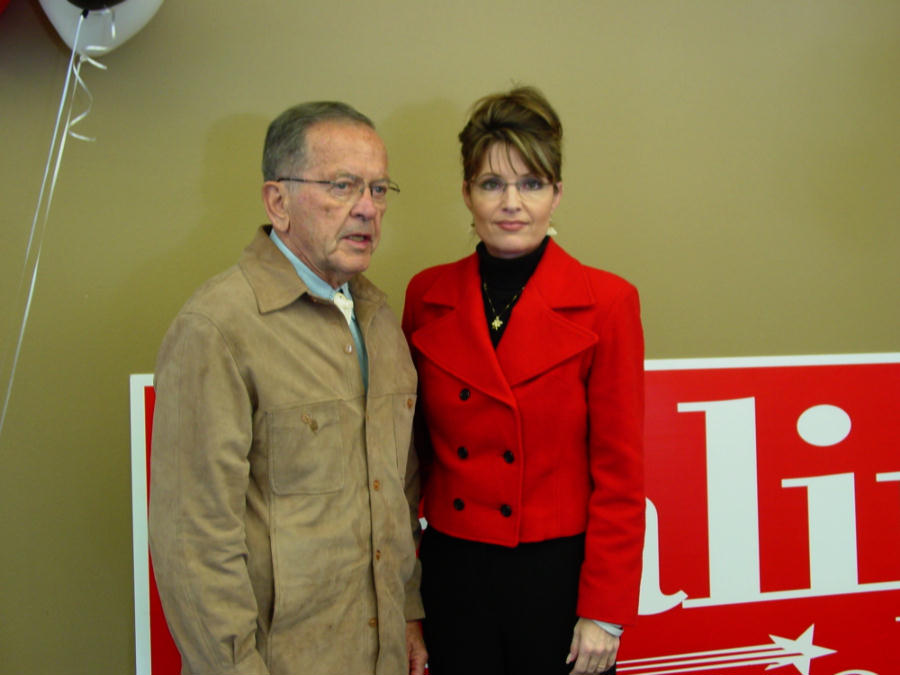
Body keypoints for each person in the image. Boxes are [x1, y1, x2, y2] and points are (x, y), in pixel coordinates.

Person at [149, 101, 427, 675]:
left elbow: (398, 493)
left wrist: (408, 611)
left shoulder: (378, 318)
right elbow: (194, 544)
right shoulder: (218, 328)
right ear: (278, 202)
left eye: (378, 189)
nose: (366, 210)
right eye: (343, 185)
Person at [402, 87, 645, 675]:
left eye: (531, 184)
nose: (512, 203)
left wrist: (604, 611)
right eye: (491, 184)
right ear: (467, 194)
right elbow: (409, 466)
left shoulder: (608, 302)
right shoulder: (425, 296)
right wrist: (406, 597)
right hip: (455, 574)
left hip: (556, 579)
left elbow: (620, 472)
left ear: (556, 194)